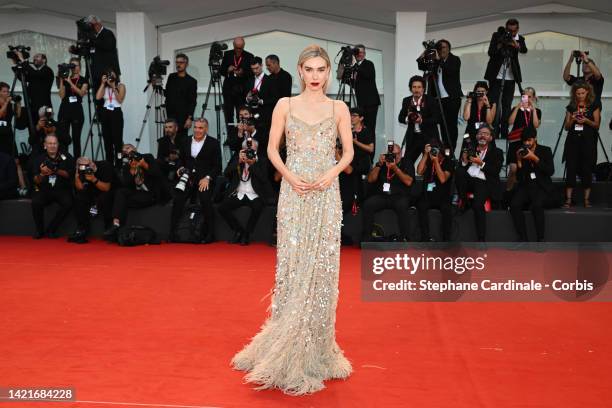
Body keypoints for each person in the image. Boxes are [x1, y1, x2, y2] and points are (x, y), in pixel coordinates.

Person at [231, 45, 354, 395]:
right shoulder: (284, 105)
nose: (315, 76)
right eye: (309, 69)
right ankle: (285, 341)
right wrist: (288, 175)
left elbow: (347, 153)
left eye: (321, 70)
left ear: (328, 73)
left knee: (322, 267)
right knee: (293, 265)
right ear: (300, 71)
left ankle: (316, 345)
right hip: (294, 191)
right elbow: (271, 149)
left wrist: (331, 174)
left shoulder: (338, 108)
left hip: (326, 193)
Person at [169, 118, 222, 244]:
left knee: (205, 199)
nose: (197, 130)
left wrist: (208, 178)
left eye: (200, 128)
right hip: (187, 178)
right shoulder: (185, 141)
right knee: (178, 199)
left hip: (204, 179)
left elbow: (218, 166)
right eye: (196, 127)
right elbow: (180, 159)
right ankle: (173, 233)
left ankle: (210, 234)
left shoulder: (213, 143)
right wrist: (180, 167)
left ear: (206, 129)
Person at [218, 138, 273, 245]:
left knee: (257, 208)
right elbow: (226, 173)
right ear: (243, 149)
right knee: (222, 208)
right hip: (239, 193)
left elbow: (264, 179)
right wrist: (238, 162)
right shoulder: (237, 158)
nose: (249, 151)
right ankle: (239, 231)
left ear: (256, 149)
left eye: (251, 149)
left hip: (255, 194)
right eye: (246, 149)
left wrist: (253, 164)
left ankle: (247, 234)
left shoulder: (262, 160)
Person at [103, 144, 163, 241]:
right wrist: (132, 170)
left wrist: (144, 165)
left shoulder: (147, 157)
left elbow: (157, 173)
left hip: (150, 194)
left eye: (128, 148)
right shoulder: (127, 166)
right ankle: (116, 224)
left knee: (120, 201)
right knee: (119, 194)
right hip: (137, 194)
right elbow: (126, 184)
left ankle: (120, 231)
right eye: (124, 150)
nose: (126, 151)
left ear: (135, 149)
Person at [454, 124, 503, 242]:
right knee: (459, 171)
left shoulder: (497, 152)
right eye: (480, 133)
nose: (482, 136)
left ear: (491, 138)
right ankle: (464, 201)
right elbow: (463, 167)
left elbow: (495, 171)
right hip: (470, 179)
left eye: (486, 134)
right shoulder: (470, 148)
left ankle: (481, 238)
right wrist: (465, 161)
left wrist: (481, 163)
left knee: (477, 206)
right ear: (476, 136)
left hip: (484, 182)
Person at [361, 142, 415, 242]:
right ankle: (366, 238)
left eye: (397, 154)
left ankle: (405, 238)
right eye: (392, 154)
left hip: (399, 196)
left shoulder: (407, 162)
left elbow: (409, 182)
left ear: (400, 154)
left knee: (402, 205)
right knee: (368, 204)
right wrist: (378, 164)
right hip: (383, 196)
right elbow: (370, 180)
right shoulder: (383, 163)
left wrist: (395, 168)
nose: (395, 156)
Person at [484, 18, 527, 139]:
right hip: (496, 76)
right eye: (509, 30)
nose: (511, 33)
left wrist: (514, 42)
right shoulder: (497, 35)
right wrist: (501, 42)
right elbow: (491, 52)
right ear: (506, 28)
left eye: (514, 31)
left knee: (507, 104)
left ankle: (504, 130)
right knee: (494, 103)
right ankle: (494, 129)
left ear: (517, 29)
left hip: (511, 77)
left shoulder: (520, 38)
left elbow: (524, 49)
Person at [510, 128, 555, 242]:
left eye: (529, 140)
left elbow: (550, 171)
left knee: (537, 205)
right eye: (524, 141)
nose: (527, 143)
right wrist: (519, 161)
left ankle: (541, 239)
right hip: (526, 186)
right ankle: (523, 238)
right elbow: (520, 178)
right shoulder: (521, 151)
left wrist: (535, 158)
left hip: (541, 186)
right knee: (514, 205)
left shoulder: (545, 150)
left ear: (535, 139)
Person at [417, 39, 463, 149]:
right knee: (441, 125)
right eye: (440, 48)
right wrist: (427, 51)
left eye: (444, 47)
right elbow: (420, 64)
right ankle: (443, 147)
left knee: (451, 125)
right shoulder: (435, 61)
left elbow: (450, 71)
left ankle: (451, 149)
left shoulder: (455, 59)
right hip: (437, 99)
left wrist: (439, 60)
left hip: (451, 98)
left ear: (449, 49)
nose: (442, 50)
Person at [562, 81, 601, 208]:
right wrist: (573, 119)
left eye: (582, 93)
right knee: (571, 168)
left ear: (587, 92)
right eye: (578, 93)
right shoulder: (571, 107)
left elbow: (596, 125)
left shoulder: (594, 106)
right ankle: (568, 199)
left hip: (587, 141)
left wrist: (586, 120)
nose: (580, 95)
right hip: (573, 141)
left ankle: (586, 199)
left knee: (587, 169)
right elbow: (566, 127)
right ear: (574, 93)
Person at [29, 134, 74, 238]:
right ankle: (39, 231)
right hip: (44, 189)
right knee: (36, 202)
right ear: (45, 145)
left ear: (58, 145)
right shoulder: (38, 159)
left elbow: (70, 174)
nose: (52, 146)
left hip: (61, 189)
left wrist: (55, 170)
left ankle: (51, 229)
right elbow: (35, 180)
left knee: (68, 203)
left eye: (54, 143)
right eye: (50, 143)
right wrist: (42, 174)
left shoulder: (66, 157)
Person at [68, 157, 113, 244]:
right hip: (91, 193)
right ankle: (82, 229)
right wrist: (77, 177)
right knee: (79, 197)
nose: (85, 168)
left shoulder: (104, 166)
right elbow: (80, 188)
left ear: (92, 164)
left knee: (105, 198)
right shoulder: (79, 171)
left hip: (108, 191)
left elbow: (106, 188)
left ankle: (109, 229)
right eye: (81, 167)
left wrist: (93, 179)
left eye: (87, 166)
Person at [416, 139, 454, 242]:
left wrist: (436, 161)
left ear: (441, 151)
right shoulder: (428, 160)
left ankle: (446, 240)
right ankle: (425, 237)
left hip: (443, 197)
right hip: (428, 196)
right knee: (421, 206)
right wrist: (425, 155)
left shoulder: (448, 162)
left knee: (447, 209)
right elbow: (419, 171)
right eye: (432, 151)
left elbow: (442, 179)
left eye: (436, 150)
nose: (434, 153)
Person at [398, 75, 441, 163]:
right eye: (414, 87)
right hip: (413, 138)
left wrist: (422, 120)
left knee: (431, 163)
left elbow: (437, 118)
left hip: (429, 137)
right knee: (407, 162)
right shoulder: (406, 101)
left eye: (419, 87)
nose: (416, 90)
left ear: (423, 89)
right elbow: (400, 118)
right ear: (410, 89)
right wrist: (408, 118)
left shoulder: (431, 100)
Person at [506, 87, 540, 192]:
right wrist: (517, 108)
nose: (527, 99)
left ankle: (525, 192)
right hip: (516, 141)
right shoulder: (516, 108)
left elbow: (536, 125)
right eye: (524, 96)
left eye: (529, 96)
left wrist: (533, 110)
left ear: (533, 98)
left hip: (529, 143)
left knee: (527, 168)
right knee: (513, 168)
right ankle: (508, 191)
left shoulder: (537, 111)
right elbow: (510, 122)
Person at [57, 57, 88, 158]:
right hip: (64, 110)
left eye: (76, 65)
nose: (74, 68)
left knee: (76, 139)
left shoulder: (83, 80)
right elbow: (61, 95)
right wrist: (62, 80)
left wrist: (70, 82)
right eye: (72, 65)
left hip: (77, 112)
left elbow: (81, 93)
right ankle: (64, 162)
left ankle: (77, 163)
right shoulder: (65, 78)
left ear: (80, 67)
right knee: (64, 139)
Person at [0, 82, 27, 195]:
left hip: (8, 136)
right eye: (4, 91)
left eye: (8, 91)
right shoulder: (6, 103)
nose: (7, 93)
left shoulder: (10, 104)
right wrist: (6, 102)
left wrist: (18, 103)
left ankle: (23, 187)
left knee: (16, 161)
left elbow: (18, 115)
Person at [221, 37, 254, 126]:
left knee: (241, 114)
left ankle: (241, 135)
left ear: (244, 46)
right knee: (228, 114)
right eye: (237, 48)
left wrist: (243, 73)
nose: (239, 50)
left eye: (241, 48)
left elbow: (252, 73)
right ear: (233, 46)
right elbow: (221, 71)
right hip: (228, 90)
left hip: (242, 90)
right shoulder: (227, 54)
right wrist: (228, 70)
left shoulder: (249, 56)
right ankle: (231, 136)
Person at [83, 15, 121, 90]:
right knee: (98, 99)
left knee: (110, 99)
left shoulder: (108, 33)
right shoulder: (92, 38)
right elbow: (87, 52)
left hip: (108, 74)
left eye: (92, 25)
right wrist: (75, 50)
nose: (91, 28)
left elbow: (108, 46)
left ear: (98, 24)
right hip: (95, 75)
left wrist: (93, 38)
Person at [164, 53, 198, 139]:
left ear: (186, 64)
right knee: (168, 138)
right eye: (177, 62)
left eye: (181, 62)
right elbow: (167, 93)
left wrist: (189, 118)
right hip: (170, 114)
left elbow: (192, 101)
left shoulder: (191, 81)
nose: (178, 64)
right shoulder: (171, 77)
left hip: (183, 116)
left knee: (182, 140)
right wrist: (157, 87)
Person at [96, 69, 125, 164]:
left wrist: (113, 86)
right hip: (105, 112)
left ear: (116, 76)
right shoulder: (105, 87)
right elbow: (97, 97)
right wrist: (102, 83)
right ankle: (109, 164)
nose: (110, 77)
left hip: (116, 112)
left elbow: (120, 99)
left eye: (112, 75)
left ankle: (119, 164)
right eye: (108, 75)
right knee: (107, 140)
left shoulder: (121, 86)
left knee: (117, 140)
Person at [353, 44, 381, 142]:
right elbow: (355, 84)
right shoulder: (354, 67)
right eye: (358, 52)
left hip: (371, 103)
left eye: (362, 52)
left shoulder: (369, 64)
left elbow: (367, 75)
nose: (360, 54)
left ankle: (371, 154)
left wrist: (355, 65)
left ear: (365, 54)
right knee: (361, 128)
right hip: (361, 103)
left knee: (370, 129)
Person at [246, 56, 278, 128]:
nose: (255, 71)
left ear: (261, 65)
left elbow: (275, 98)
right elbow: (245, 95)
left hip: (265, 116)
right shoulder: (249, 80)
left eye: (256, 68)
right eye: (252, 69)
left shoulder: (270, 80)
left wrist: (262, 101)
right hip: (252, 114)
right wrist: (247, 98)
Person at [156, 118, 185, 183]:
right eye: (166, 127)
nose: (167, 130)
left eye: (170, 127)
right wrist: (169, 158)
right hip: (167, 166)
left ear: (176, 128)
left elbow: (187, 156)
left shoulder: (184, 140)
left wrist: (177, 156)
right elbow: (159, 157)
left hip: (180, 165)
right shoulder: (162, 141)